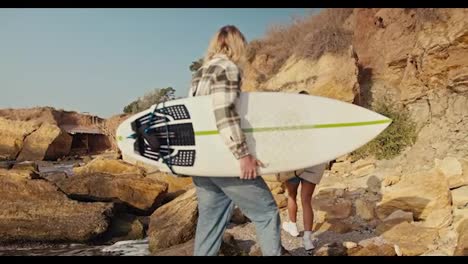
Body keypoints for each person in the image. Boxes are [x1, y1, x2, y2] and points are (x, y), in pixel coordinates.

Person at [188, 25, 282, 256]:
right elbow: (224, 112)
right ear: (237, 45)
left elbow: (197, 119)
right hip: (225, 160)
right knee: (266, 213)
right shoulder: (228, 68)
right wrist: (243, 154)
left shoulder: (200, 74)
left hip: (203, 162)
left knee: (210, 224)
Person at [281, 90, 327, 251]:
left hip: (295, 163)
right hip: (313, 163)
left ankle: (293, 226)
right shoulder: (318, 118)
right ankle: (308, 239)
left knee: (291, 195)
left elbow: (285, 141)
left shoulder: (291, 119)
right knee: (306, 200)